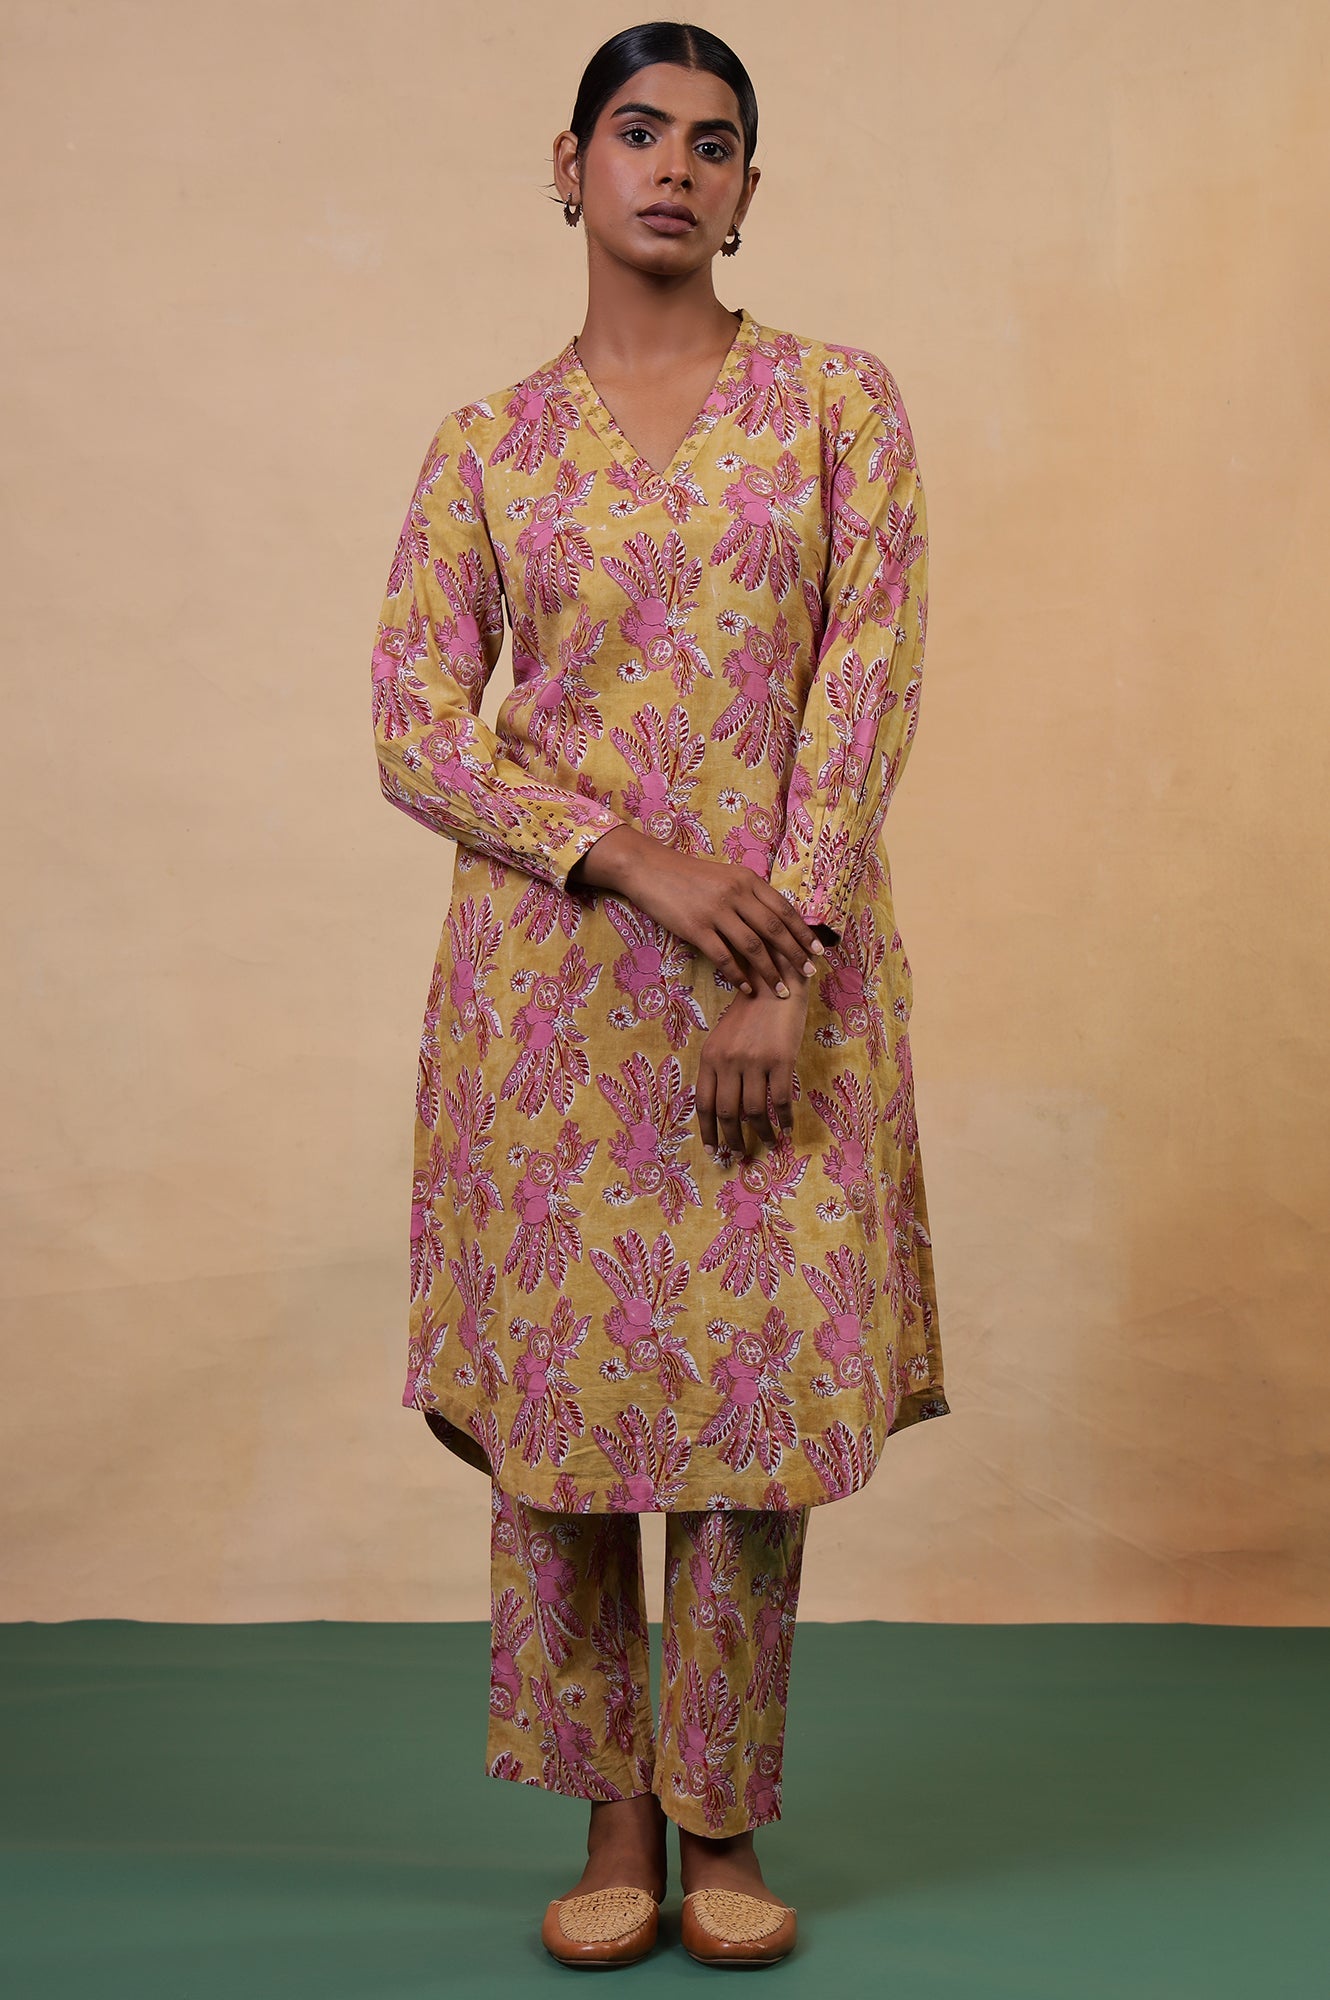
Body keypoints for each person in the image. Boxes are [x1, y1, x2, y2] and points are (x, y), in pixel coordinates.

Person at [369, 18, 950, 1970]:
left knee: (747, 1401)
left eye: (711, 142)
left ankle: (719, 1810)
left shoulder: (833, 409)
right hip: (550, 1004)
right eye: (637, 131)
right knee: (572, 1406)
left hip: (778, 982)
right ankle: (607, 1806)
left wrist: (781, 957)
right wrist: (628, 857)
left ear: (746, 191)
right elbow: (414, 726)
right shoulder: (485, 447)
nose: (673, 167)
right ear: (569, 164)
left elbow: (861, 687)